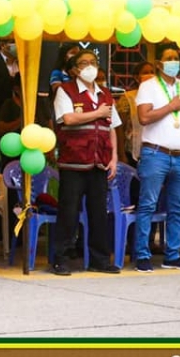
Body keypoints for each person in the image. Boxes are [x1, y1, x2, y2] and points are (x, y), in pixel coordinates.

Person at [51, 49, 121, 276]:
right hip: (74, 162)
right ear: (74, 69)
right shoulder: (65, 91)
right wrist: (97, 113)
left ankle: (99, 259)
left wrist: (114, 157)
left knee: (99, 213)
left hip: (99, 162)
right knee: (68, 212)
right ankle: (60, 259)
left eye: (93, 62)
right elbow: (68, 118)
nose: (89, 66)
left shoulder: (106, 94)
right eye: (83, 63)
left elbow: (111, 128)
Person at [134, 45, 180, 273]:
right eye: (169, 58)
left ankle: (173, 255)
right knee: (147, 205)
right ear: (159, 64)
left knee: (177, 207)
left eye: (177, 58)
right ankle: (142, 254)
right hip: (155, 154)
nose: (174, 62)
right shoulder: (148, 86)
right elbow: (143, 117)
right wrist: (170, 106)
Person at [115, 61, 155, 166]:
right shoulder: (128, 98)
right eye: (145, 72)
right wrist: (121, 154)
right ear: (137, 77)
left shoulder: (160, 97)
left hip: (156, 154)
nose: (150, 75)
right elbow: (119, 128)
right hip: (132, 153)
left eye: (152, 72)